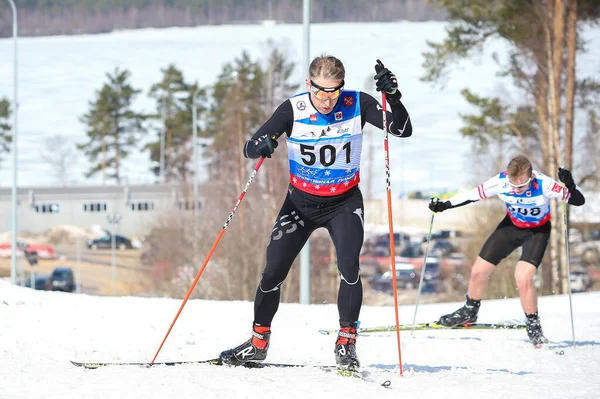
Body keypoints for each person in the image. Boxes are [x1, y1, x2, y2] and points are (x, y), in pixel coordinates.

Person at [219, 55, 412, 369]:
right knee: (272, 272)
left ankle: (346, 343)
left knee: (349, 267)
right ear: (308, 84)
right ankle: (257, 343)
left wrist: (393, 96)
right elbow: (249, 146)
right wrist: (262, 145)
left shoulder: (357, 104)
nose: (326, 99)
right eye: (320, 91)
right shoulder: (292, 109)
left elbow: (402, 130)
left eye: (333, 92)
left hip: (344, 203)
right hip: (300, 205)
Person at [428, 155, 585, 346]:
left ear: (531, 178)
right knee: (478, 271)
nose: (517, 190)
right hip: (510, 228)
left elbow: (578, 200)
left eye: (522, 185)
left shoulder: (544, 184)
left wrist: (570, 184)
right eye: (513, 186)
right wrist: (444, 205)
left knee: (523, 277)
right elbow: (471, 196)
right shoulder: (499, 182)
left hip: (537, 232)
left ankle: (533, 324)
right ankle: (469, 312)